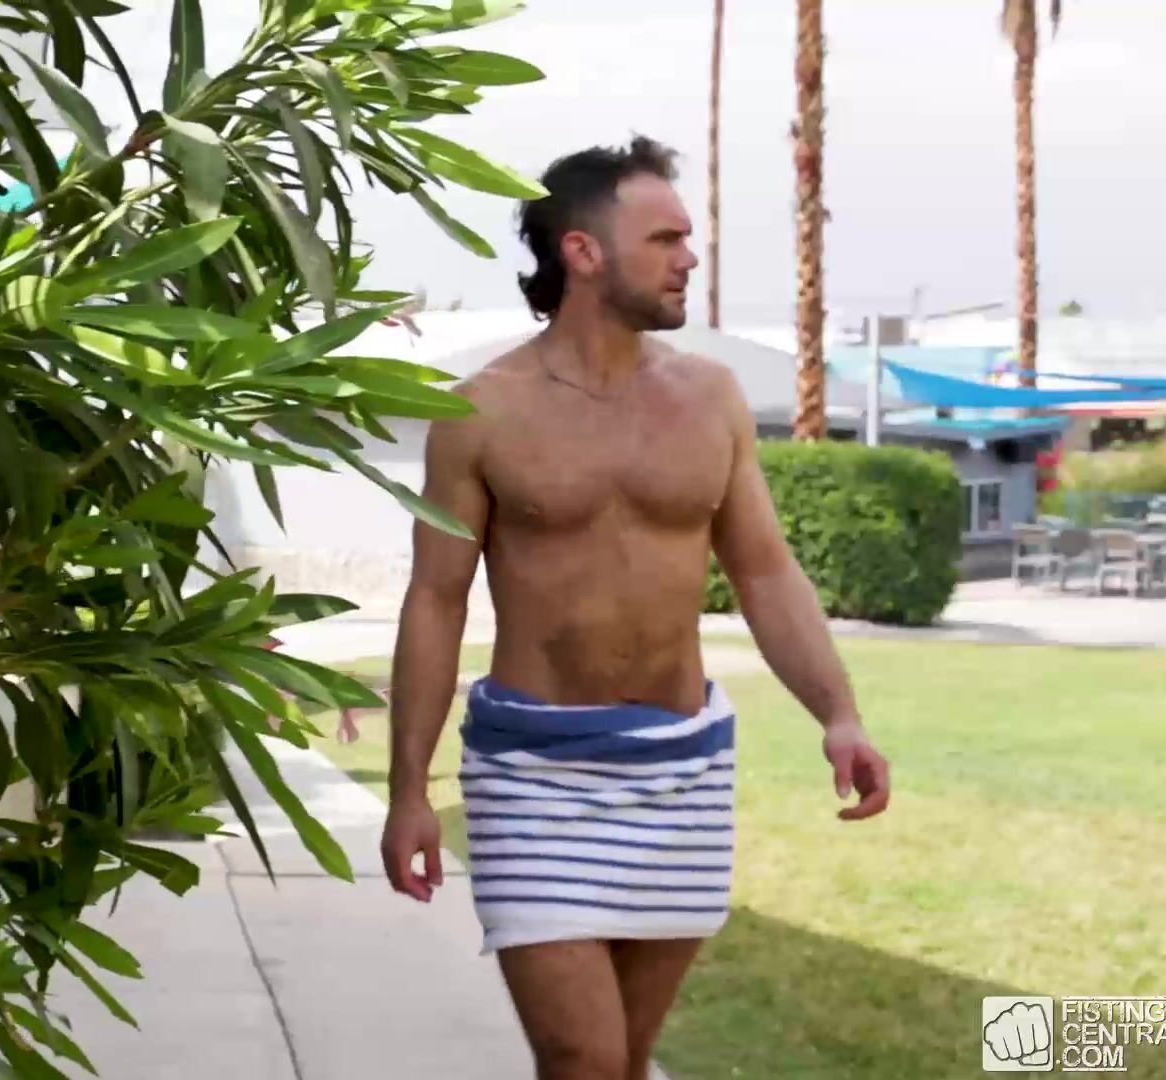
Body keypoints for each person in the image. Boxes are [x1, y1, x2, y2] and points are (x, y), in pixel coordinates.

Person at [379, 135, 892, 1080]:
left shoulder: (710, 397)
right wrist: (408, 789)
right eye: (664, 239)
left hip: (681, 766)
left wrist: (839, 713)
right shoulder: (480, 412)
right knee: (583, 1059)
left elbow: (765, 572)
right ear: (582, 252)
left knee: (626, 1062)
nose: (688, 258)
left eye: (687, 238)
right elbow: (436, 601)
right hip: (534, 772)